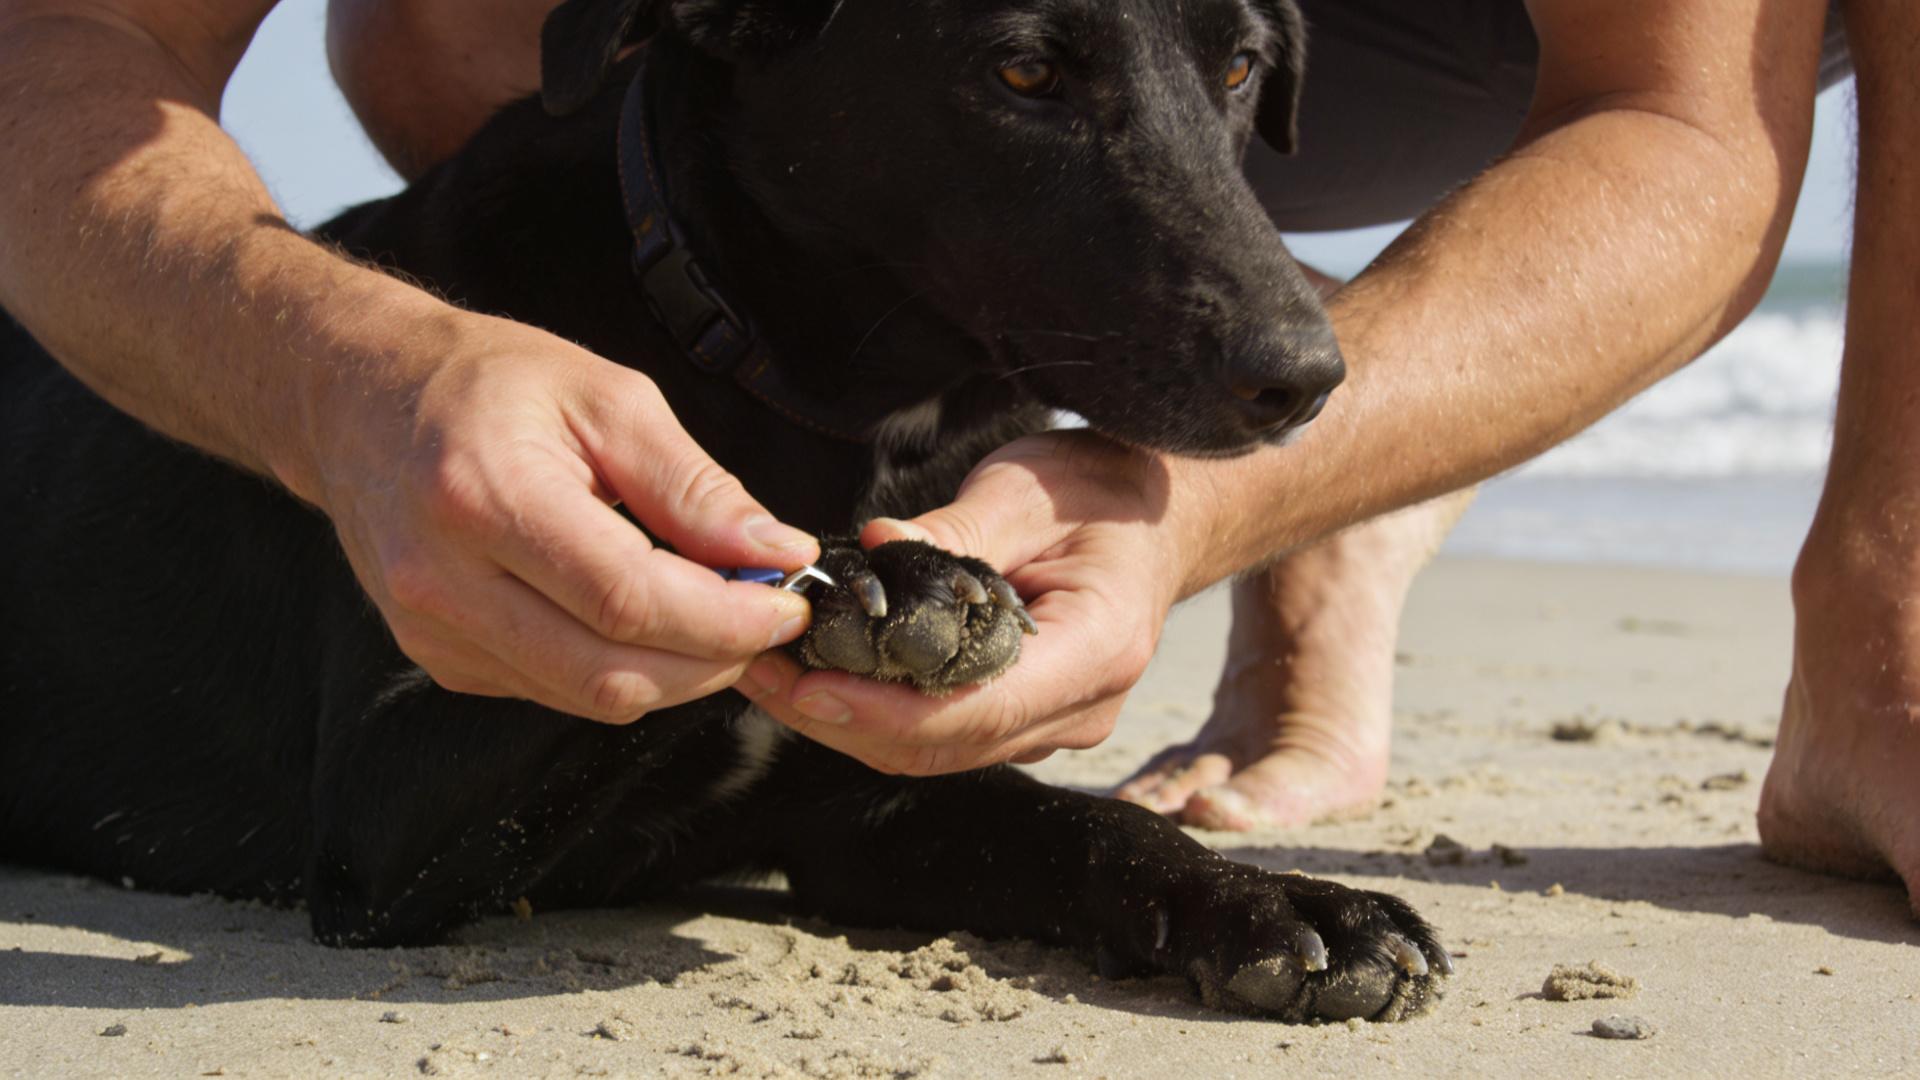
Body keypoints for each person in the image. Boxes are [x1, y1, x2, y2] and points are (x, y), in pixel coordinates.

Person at [0, 0, 1909, 916]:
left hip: (1478, 40)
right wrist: (352, 376)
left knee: (1234, 334)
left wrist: (1207, 496)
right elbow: (64, 41)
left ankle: (1881, 630)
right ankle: (548, 457)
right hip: (787, 109)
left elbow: (1677, 121)